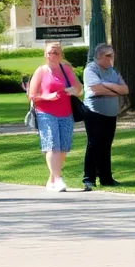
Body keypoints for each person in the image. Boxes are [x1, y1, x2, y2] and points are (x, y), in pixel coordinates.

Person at [27, 42, 82, 192]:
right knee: (52, 145)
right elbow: (32, 95)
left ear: (61, 55)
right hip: (45, 112)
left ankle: (51, 179)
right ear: (45, 55)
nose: (53, 55)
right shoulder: (41, 71)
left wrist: (73, 90)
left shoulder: (66, 69)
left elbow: (79, 88)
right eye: (50, 52)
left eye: (56, 52)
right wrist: (47, 96)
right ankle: (58, 179)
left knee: (63, 146)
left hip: (66, 112)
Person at [82, 43, 128, 190]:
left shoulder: (112, 72)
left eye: (112, 55)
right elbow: (97, 90)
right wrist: (115, 90)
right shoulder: (91, 69)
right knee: (94, 144)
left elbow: (125, 89)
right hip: (94, 113)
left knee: (106, 145)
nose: (111, 58)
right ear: (99, 56)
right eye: (108, 55)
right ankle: (88, 178)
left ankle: (106, 178)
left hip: (110, 114)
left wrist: (108, 84)